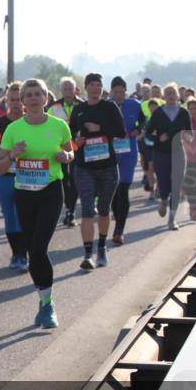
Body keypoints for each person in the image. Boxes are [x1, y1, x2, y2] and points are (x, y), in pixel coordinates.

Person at [0, 78, 74, 329]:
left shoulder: (59, 125)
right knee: (32, 252)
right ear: (21, 101)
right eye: (26, 95)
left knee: (39, 248)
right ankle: (43, 300)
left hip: (50, 191)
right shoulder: (13, 129)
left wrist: (66, 156)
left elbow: (70, 151)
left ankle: (49, 306)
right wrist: (12, 155)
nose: (31, 99)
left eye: (36, 94)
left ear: (45, 98)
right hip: (25, 193)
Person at [68, 73, 126, 269]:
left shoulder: (110, 107)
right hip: (84, 167)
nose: (95, 88)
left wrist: (99, 127)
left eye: (99, 85)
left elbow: (121, 131)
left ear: (102, 88)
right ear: (86, 88)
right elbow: (70, 138)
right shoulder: (79, 109)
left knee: (103, 209)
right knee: (86, 210)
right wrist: (76, 142)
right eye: (92, 85)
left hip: (108, 167)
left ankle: (101, 246)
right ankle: (87, 254)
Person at [145, 83, 193, 230]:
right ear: (164, 96)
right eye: (168, 93)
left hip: (178, 153)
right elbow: (147, 134)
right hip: (161, 153)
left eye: (173, 93)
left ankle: (172, 220)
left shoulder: (184, 113)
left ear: (178, 95)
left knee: (177, 186)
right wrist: (159, 138)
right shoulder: (158, 113)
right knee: (164, 184)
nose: (171, 96)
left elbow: (190, 135)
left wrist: (186, 136)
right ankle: (164, 200)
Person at [108, 77, 146, 246]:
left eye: (122, 92)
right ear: (111, 92)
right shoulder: (106, 106)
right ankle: (118, 217)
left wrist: (137, 130)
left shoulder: (135, 105)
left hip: (129, 152)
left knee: (123, 188)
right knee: (114, 192)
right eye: (116, 92)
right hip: (111, 153)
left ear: (125, 91)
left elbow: (143, 122)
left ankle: (119, 230)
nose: (119, 95)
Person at [0, 83, 27, 269]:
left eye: (19, 100)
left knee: (21, 215)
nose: (16, 104)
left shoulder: (30, 122)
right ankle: (16, 253)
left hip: (27, 177)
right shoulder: (0, 124)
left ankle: (23, 255)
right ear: (6, 101)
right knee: (10, 217)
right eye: (12, 100)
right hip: (4, 176)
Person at [48, 77, 83, 227]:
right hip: (60, 150)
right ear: (61, 91)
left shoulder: (82, 104)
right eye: (65, 89)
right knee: (64, 181)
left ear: (75, 89)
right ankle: (67, 209)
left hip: (80, 148)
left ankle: (71, 211)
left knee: (75, 180)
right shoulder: (53, 106)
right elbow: (47, 126)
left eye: (70, 88)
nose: (68, 91)